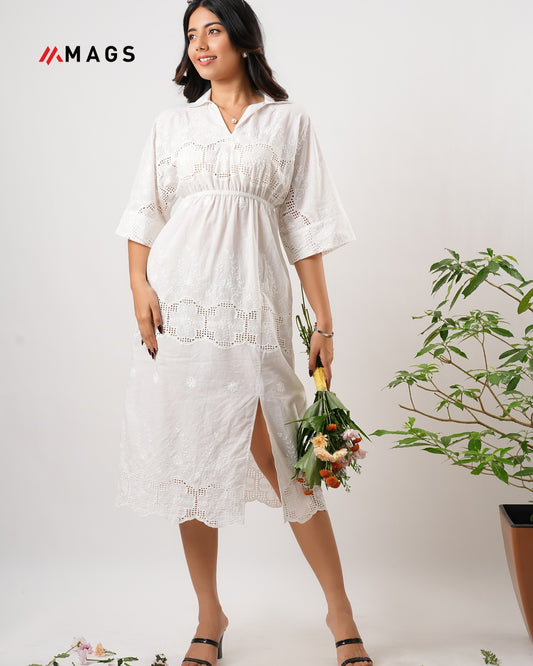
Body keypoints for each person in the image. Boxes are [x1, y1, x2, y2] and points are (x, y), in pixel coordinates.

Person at [115, 1, 372, 665]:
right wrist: (140, 286)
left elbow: (305, 227)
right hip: (182, 311)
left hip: (255, 310)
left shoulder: (288, 122)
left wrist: (323, 319)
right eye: (191, 34)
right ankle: (209, 615)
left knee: (287, 458)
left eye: (213, 30)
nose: (200, 44)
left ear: (243, 39)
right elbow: (144, 213)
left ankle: (340, 611)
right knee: (193, 460)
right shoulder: (172, 125)